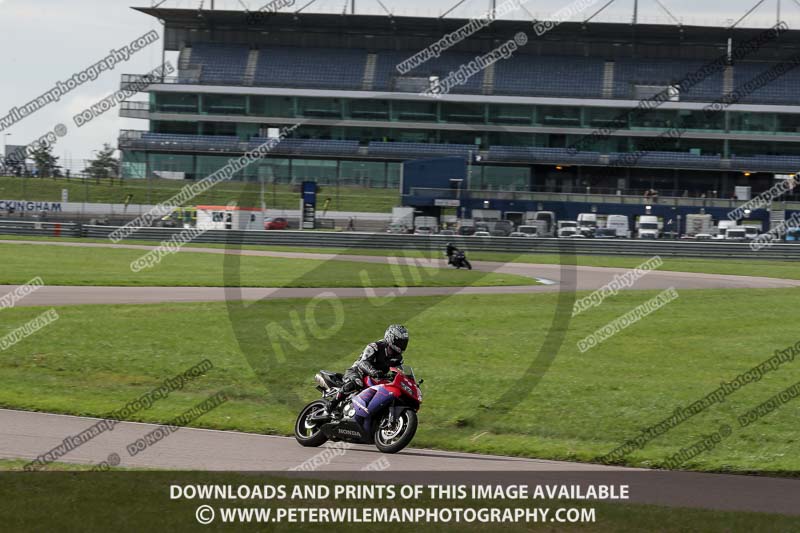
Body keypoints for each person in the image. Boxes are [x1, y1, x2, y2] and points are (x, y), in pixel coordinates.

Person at [325, 325, 409, 416]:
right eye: (400, 342)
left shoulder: (398, 358)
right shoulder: (375, 346)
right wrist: (374, 372)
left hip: (376, 379)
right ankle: (330, 406)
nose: (402, 345)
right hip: (357, 372)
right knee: (357, 382)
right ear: (391, 338)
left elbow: (399, 372)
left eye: (404, 342)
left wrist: (407, 381)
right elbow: (363, 362)